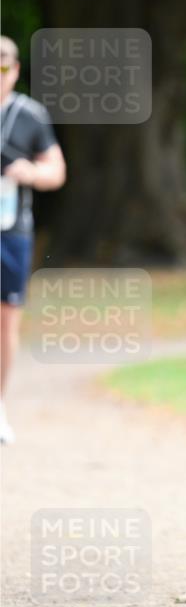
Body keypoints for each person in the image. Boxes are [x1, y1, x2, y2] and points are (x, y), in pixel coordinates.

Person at [0, 35, 66, 444]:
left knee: (6, 324)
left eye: (3, 66)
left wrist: (30, 173)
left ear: (16, 69)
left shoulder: (30, 115)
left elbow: (56, 172)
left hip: (10, 231)